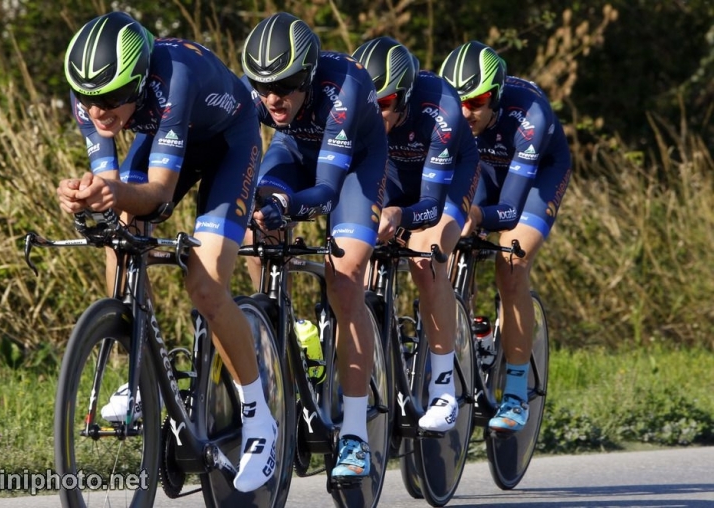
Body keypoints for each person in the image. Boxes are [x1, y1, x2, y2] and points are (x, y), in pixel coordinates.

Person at [56, 11, 277, 492]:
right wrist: (83, 191)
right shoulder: (92, 96)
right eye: (88, 99)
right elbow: (110, 182)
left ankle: (261, 419)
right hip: (166, 137)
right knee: (119, 229)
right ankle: (137, 380)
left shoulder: (172, 78)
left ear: (137, 83)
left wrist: (110, 194)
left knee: (204, 286)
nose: (97, 111)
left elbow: (157, 193)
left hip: (228, 144)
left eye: (112, 99)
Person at [241, 12, 388, 483]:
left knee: (344, 282)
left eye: (283, 86)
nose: (271, 98)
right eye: (262, 87)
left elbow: (324, 192)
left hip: (353, 171)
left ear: (306, 75)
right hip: (294, 152)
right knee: (251, 230)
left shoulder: (342, 87)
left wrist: (286, 203)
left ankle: (353, 433)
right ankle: (277, 319)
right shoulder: (263, 97)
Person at [439, 41, 571, 434]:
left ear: (495, 94)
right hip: (484, 169)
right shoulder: (449, 115)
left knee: (510, 263)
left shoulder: (530, 115)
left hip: (535, 179)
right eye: (459, 101)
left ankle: (515, 390)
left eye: (477, 101)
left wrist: (477, 215)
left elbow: (510, 209)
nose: (466, 112)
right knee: (442, 251)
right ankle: (470, 335)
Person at [351, 37, 480, 433]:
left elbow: (431, 206)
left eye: (386, 104)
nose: (375, 113)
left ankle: (443, 387)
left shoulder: (441, 111)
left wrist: (399, 215)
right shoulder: (355, 111)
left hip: (444, 182)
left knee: (425, 256)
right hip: (390, 178)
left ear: (404, 97)